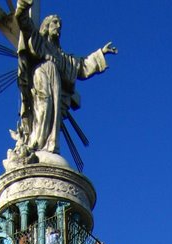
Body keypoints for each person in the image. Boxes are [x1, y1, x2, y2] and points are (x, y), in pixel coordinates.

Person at [12, 0, 117, 161]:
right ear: (46, 25)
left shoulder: (62, 57)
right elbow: (23, 22)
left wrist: (101, 53)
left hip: (56, 83)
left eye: (60, 24)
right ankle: (36, 142)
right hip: (41, 75)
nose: (58, 26)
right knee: (43, 105)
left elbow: (81, 66)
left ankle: (50, 144)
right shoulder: (39, 42)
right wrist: (24, 5)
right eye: (55, 23)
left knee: (53, 111)